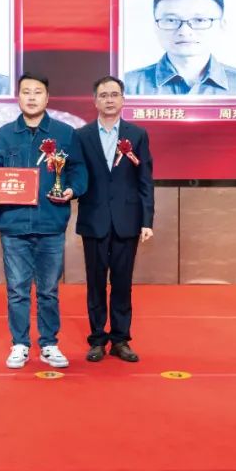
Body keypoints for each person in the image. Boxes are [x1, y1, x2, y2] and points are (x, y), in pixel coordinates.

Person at [0, 73, 87, 369]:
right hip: (13, 225)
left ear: (47, 98)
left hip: (51, 223)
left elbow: (78, 171)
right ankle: (20, 344)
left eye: (37, 92)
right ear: (18, 97)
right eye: (25, 91)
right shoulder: (4, 134)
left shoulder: (65, 133)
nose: (31, 97)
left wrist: (72, 189)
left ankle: (49, 344)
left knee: (48, 290)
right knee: (17, 289)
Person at [74, 76, 154, 363]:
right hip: (94, 218)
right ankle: (97, 339)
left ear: (123, 99)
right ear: (95, 100)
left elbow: (145, 180)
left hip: (127, 220)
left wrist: (147, 220)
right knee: (95, 283)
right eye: (103, 95)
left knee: (122, 282)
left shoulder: (137, 134)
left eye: (114, 94)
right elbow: (77, 174)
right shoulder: (81, 136)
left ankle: (121, 339)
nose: (109, 99)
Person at [124, 0, 236, 96]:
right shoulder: (126, 86)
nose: (184, 31)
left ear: (222, 26)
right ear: (155, 26)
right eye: (171, 20)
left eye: (199, 20)